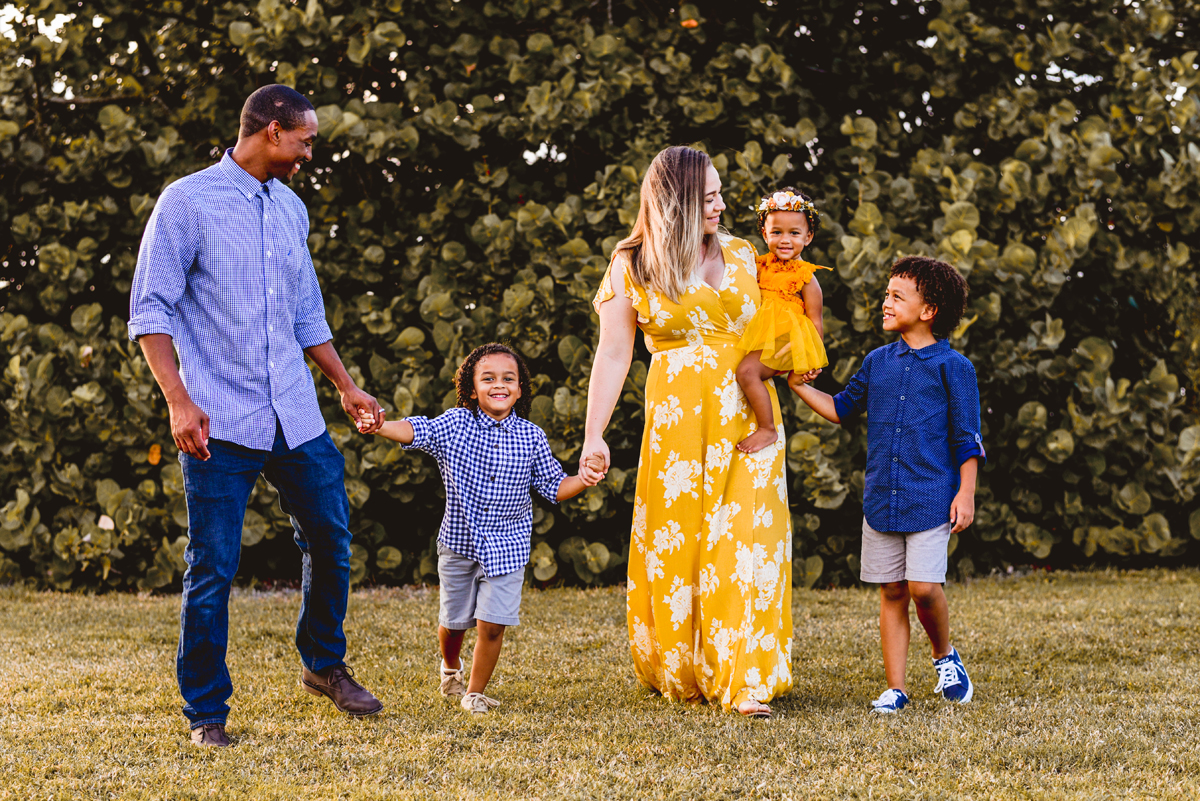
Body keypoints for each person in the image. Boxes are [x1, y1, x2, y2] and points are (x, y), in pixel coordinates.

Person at [128, 85, 386, 747]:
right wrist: (178, 400)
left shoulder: (292, 208)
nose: (309, 153)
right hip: (219, 416)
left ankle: (323, 663)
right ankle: (207, 714)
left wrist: (347, 387)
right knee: (212, 564)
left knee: (330, 536)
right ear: (272, 130)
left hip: (294, 415)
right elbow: (150, 310)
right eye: (305, 140)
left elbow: (308, 317)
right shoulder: (187, 202)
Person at [582, 146, 792, 719]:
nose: (721, 206)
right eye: (707, 198)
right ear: (673, 204)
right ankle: (686, 663)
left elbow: (783, 327)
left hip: (750, 418)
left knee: (745, 539)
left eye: (721, 194)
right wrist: (593, 434)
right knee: (686, 542)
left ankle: (742, 676)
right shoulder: (633, 265)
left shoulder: (747, 254)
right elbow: (613, 353)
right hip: (677, 422)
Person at [357, 343, 603, 714]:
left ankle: (473, 692)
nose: (499, 384)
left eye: (508, 379)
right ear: (472, 389)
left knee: (492, 626)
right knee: (454, 624)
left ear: (520, 389)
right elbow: (416, 431)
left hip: (508, 546)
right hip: (459, 544)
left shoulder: (532, 437)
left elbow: (555, 487)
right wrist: (380, 426)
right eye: (488, 378)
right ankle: (450, 667)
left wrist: (583, 479)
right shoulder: (456, 424)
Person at [790, 256, 985, 713]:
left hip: (932, 497)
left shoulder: (954, 367)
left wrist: (966, 492)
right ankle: (895, 688)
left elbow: (967, 438)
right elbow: (840, 408)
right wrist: (795, 385)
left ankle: (944, 656)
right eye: (886, 294)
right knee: (892, 590)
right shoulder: (877, 361)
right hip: (882, 499)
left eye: (898, 296)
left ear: (929, 309)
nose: (885, 302)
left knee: (922, 587)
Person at [734, 187, 831, 453]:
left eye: (794, 233)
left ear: (808, 237)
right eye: (777, 232)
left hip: (787, 341)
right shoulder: (758, 265)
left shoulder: (807, 277)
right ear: (765, 233)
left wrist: (810, 360)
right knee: (741, 367)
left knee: (746, 371)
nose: (784, 240)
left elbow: (815, 321)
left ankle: (767, 429)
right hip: (763, 335)